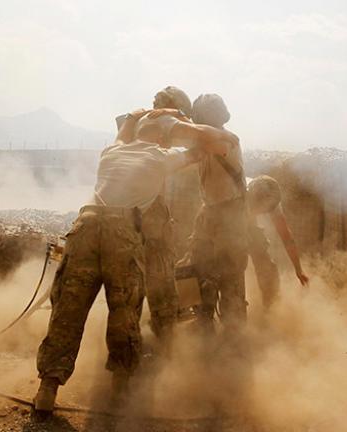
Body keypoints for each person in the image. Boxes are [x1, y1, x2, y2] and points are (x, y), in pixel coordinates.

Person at [33, 107, 237, 416]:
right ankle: (120, 392)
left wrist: (147, 114)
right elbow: (217, 144)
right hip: (122, 232)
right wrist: (184, 124)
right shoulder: (161, 158)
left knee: (68, 310)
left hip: (85, 227)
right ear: (161, 138)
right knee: (124, 311)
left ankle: (47, 389)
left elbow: (126, 128)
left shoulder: (111, 151)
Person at [116, 86, 192, 347]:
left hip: (124, 218)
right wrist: (178, 114)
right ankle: (164, 353)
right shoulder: (162, 129)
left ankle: (127, 363)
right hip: (151, 219)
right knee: (163, 292)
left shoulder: (133, 123)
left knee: (130, 293)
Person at [187, 93, 249, 335]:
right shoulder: (206, 140)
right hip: (211, 212)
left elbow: (214, 147)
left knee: (231, 277)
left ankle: (233, 338)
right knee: (199, 270)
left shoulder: (227, 141)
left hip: (230, 215)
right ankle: (205, 325)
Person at [245, 175, 309, 308]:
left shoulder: (271, 200)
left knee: (267, 269)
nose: (265, 212)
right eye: (261, 208)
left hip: (249, 225)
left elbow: (286, 237)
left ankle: (271, 311)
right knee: (228, 268)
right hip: (219, 223)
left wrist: (299, 270)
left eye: (267, 209)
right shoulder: (236, 196)